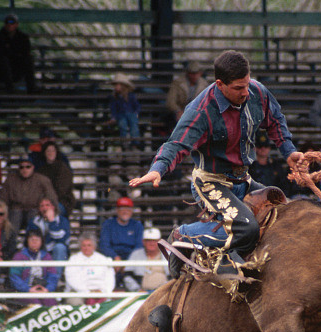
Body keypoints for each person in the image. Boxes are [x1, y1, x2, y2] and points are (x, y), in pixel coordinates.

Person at [129, 50, 304, 277]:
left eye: (247, 84)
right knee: (247, 228)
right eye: (238, 88)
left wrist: (289, 151)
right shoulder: (200, 110)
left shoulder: (257, 92)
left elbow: (276, 119)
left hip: (244, 178)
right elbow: (176, 144)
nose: (245, 92)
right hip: (211, 182)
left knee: (282, 211)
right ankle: (184, 235)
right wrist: (157, 169)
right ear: (220, 84)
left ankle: (236, 254)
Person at [0, 157, 57, 231]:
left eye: (28, 167)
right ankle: (10, 241)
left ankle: (34, 240)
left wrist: (50, 210)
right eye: (21, 167)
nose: (24, 169)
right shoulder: (11, 179)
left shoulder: (42, 179)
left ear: (33, 167)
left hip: (34, 209)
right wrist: (1, 210)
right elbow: (3, 197)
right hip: (15, 209)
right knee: (14, 219)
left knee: (34, 221)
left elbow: (51, 196)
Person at [99, 196, 143, 286]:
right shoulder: (108, 224)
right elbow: (104, 245)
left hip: (131, 256)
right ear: (117, 210)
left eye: (128, 209)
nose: (125, 211)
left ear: (132, 211)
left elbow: (139, 245)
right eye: (122, 208)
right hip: (113, 256)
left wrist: (127, 263)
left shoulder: (137, 225)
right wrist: (114, 257)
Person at [9, 228, 59, 306]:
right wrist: (28, 289)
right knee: (36, 305)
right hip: (25, 291)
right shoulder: (19, 256)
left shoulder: (46, 256)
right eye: (32, 239)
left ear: (41, 242)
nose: (34, 242)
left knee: (51, 303)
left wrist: (47, 289)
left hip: (42, 289)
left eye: (37, 239)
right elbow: (14, 277)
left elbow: (52, 276)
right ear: (27, 241)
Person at [0, 13, 37, 94]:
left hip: (17, 67)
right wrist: (14, 52)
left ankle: (31, 89)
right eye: (7, 23)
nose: (9, 25)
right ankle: (10, 89)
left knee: (28, 60)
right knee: (3, 61)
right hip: (2, 69)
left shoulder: (23, 37)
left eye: (12, 23)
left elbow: (25, 52)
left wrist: (11, 51)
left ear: (16, 24)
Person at [65, 233, 115, 306]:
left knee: (108, 304)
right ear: (80, 246)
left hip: (100, 291)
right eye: (84, 245)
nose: (86, 248)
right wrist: (88, 292)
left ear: (94, 247)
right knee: (75, 302)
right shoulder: (73, 259)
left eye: (89, 245)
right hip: (79, 291)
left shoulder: (102, 259)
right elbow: (72, 280)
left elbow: (110, 278)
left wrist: (103, 292)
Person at [26, 197, 70, 272]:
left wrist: (51, 221)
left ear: (53, 207)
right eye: (42, 206)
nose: (44, 208)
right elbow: (31, 238)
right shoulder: (34, 221)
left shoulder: (63, 220)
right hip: (40, 250)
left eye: (47, 205)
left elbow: (61, 239)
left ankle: (55, 279)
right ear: (39, 209)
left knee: (60, 247)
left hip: (55, 252)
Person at [122, 227, 169, 292]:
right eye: (148, 240)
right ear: (143, 242)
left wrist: (167, 290)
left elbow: (175, 277)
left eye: (154, 241)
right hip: (141, 295)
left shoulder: (168, 255)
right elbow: (127, 276)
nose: (151, 243)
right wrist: (137, 290)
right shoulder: (135, 254)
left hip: (164, 293)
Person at [248, 131, 294, 197]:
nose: (263, 149)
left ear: (269, 148)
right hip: (255, 197)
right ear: (255, 148)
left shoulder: (276, 166)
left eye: (265, 146)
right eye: (260, 146)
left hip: (274, 198)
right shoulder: (251, 167)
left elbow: (284, 185)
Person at [35, 141, 74, 217]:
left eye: (53, 150)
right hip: (42, 201)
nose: (51, 153)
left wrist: (48, 201)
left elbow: (62, 191)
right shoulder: (41, 170)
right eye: (48, 151)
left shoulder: (63, 168)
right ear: (44, 153)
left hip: (62, 201)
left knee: (50, 211)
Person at [109, 72, 141, 148]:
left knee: (134, 127)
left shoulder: (131, 96)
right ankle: (124, 142)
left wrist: (136, 112)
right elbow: (113, 108)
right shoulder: (114, 98)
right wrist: (113, 117)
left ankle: (135, 143)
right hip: (121, 115)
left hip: (131, 114)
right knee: (122, 125)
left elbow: (137, 106)